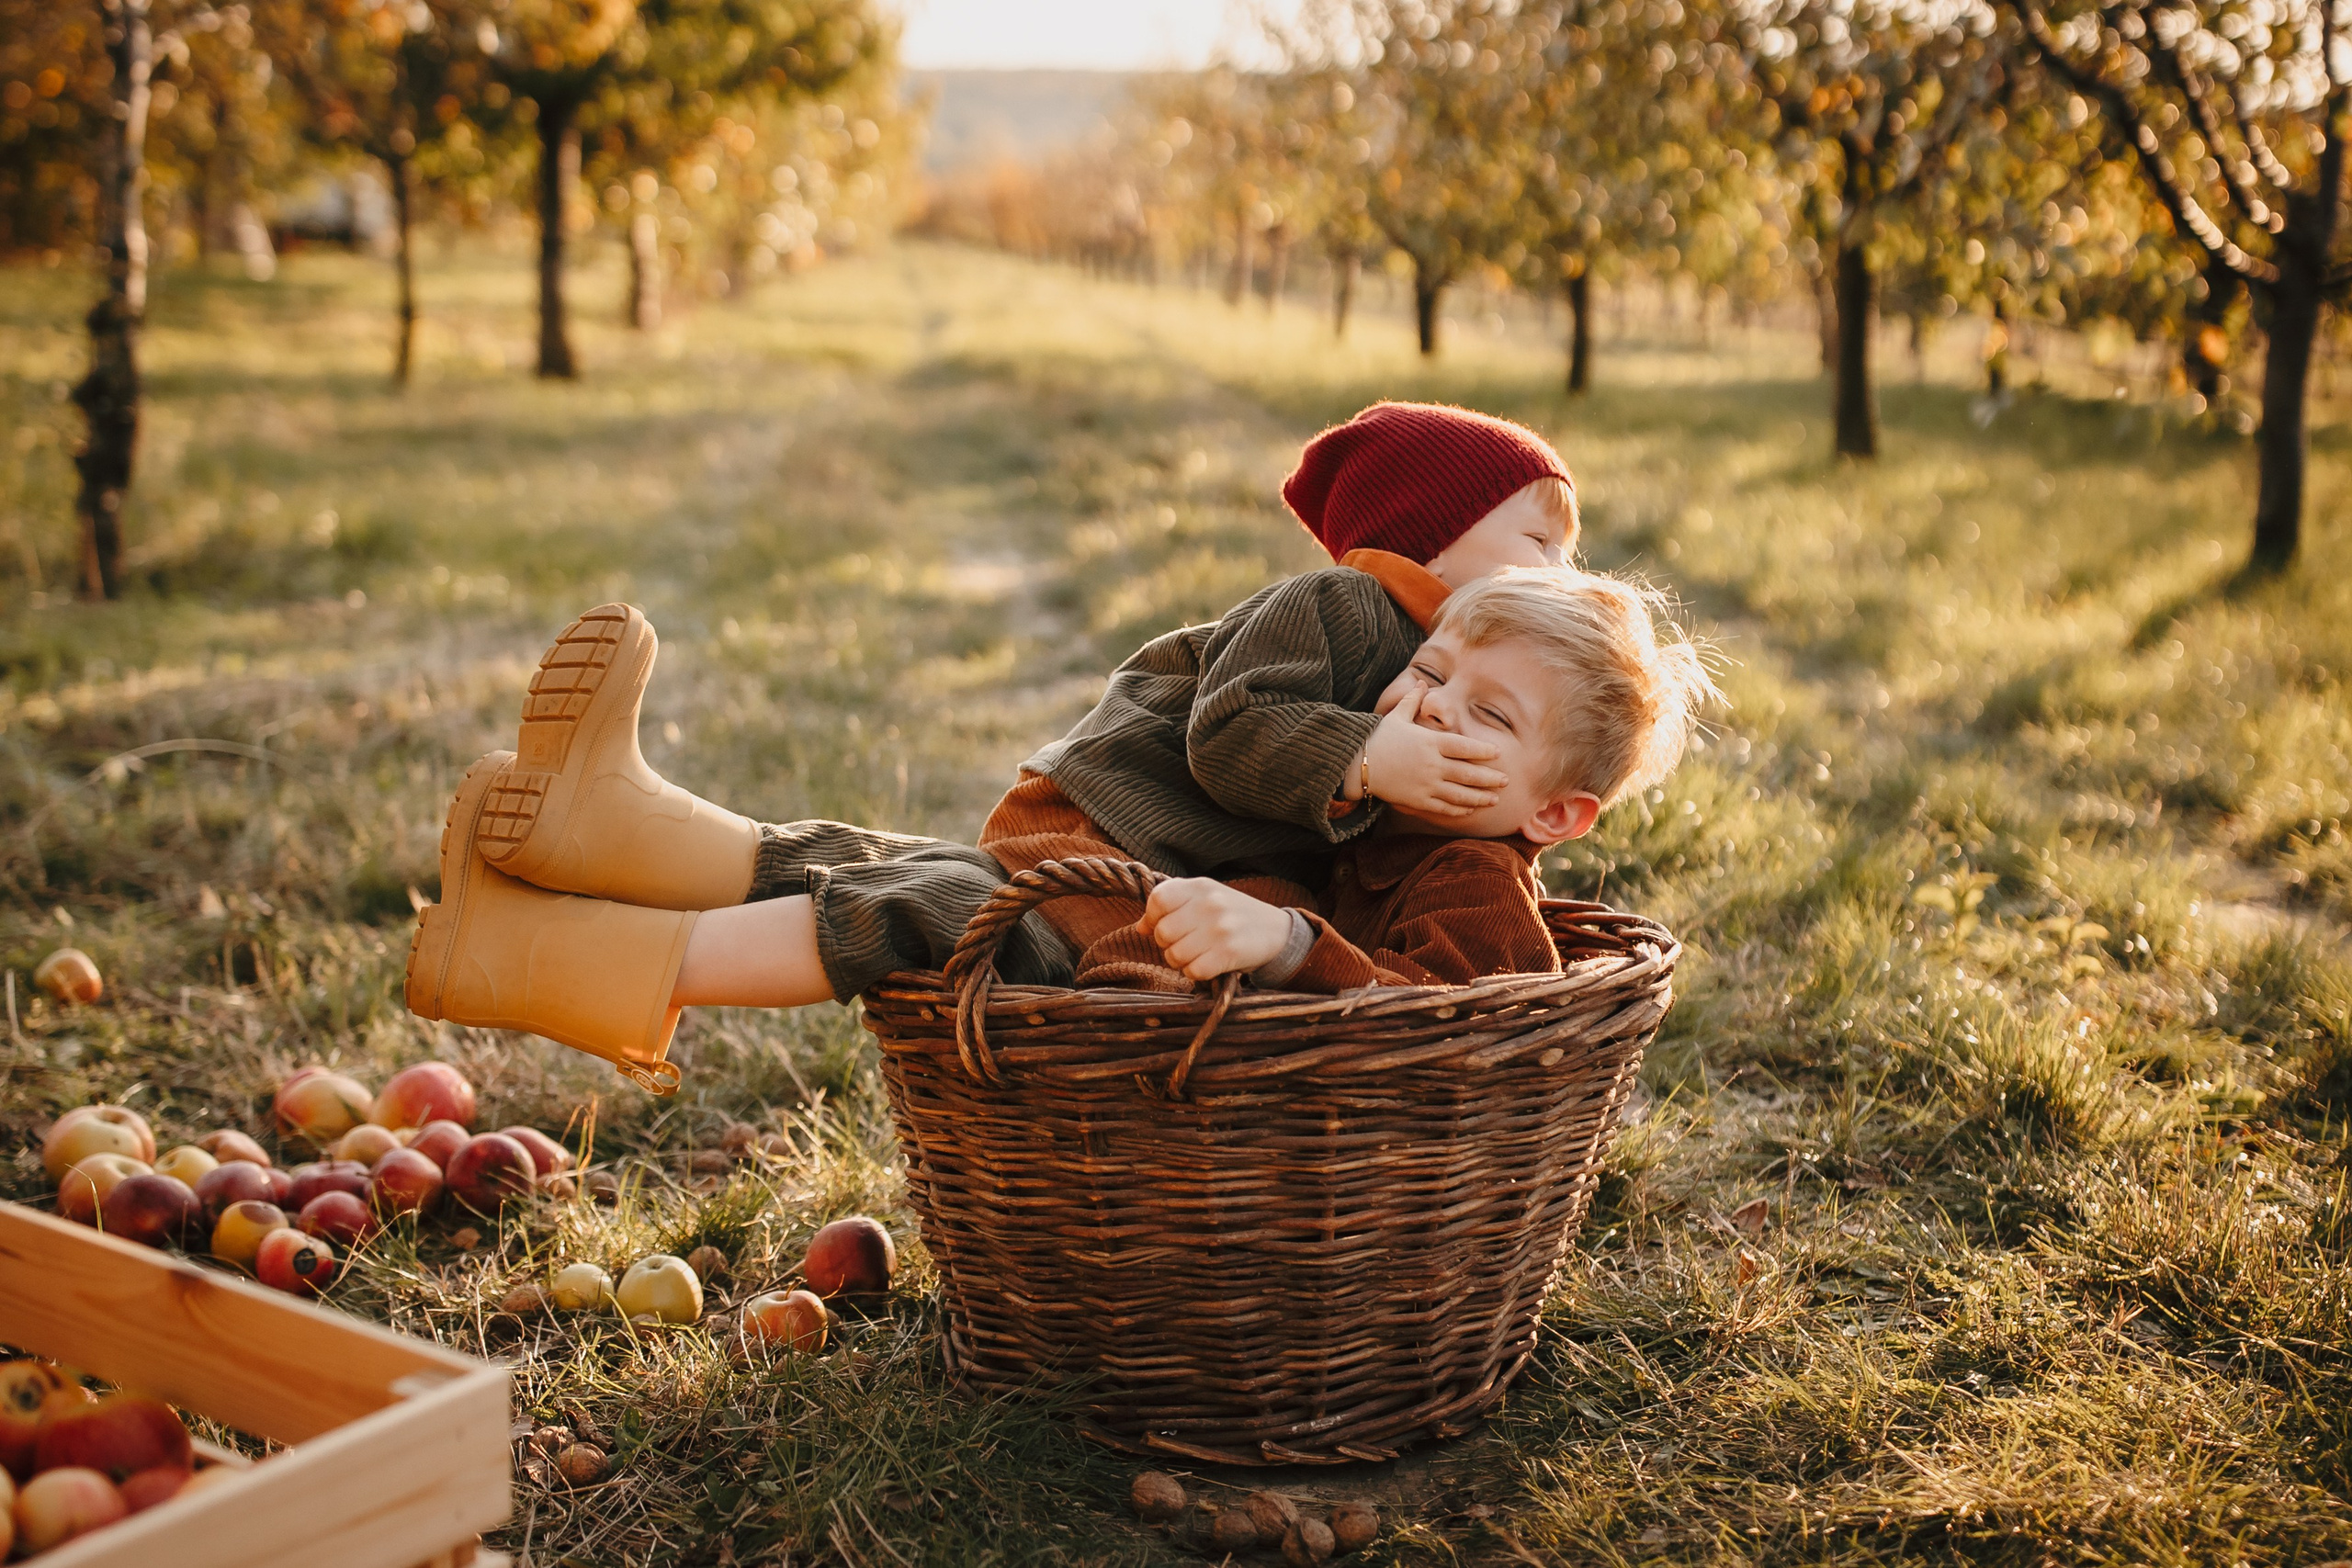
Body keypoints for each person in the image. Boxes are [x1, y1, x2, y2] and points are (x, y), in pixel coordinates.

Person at [403, 566, 1714, 1089]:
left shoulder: (1477, 875)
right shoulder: (1372, 807)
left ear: (1559, 812)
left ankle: (547, 971)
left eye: (1483, 719)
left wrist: (1288, 945)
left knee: (927, 909)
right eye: (1425, 679)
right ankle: (590, 841)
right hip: (1130, 949)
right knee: (900, 868)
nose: (1430, 714)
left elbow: (1464, 1026)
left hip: (1147, 1017)